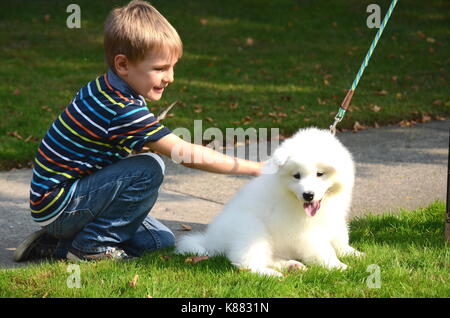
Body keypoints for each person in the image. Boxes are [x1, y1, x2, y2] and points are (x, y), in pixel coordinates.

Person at [14, 0, 262, 262]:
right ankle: (90, 246)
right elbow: (185, 153)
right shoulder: (120, 107)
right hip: (62, 204)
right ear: (123, 65)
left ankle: (55, 245)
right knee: (150, 167)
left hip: (62, 201)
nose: (171, 77)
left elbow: (102, 146)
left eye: (172, 66)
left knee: (158, 241)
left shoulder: (108, 86)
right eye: (160, 69)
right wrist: (256, 168)